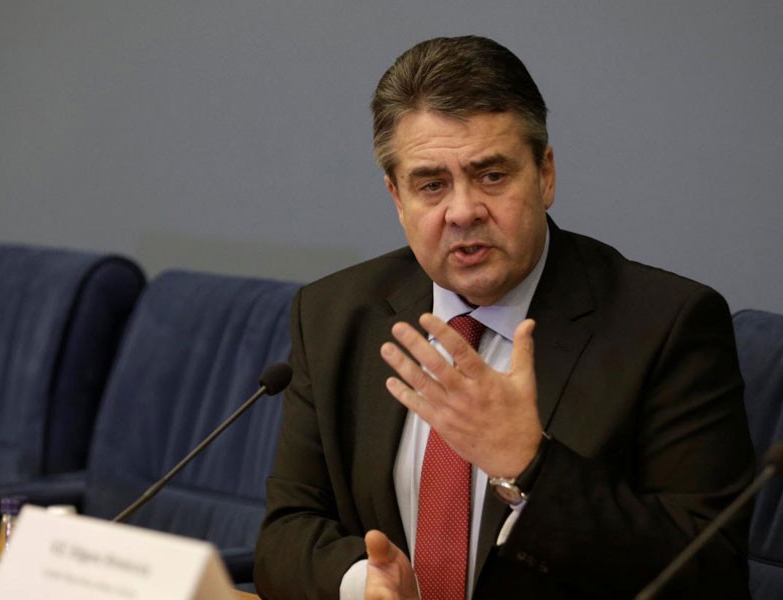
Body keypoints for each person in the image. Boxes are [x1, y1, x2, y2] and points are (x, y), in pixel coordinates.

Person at [253, 35, 754, 599]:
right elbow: (285, 533)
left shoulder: (668, 328)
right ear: (396, 197)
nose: (463, 211)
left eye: (491, 175)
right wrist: (361, 584)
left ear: (544, 175)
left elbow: (710, 575)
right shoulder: (333, 315)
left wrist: (530, 466)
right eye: (431, 185)